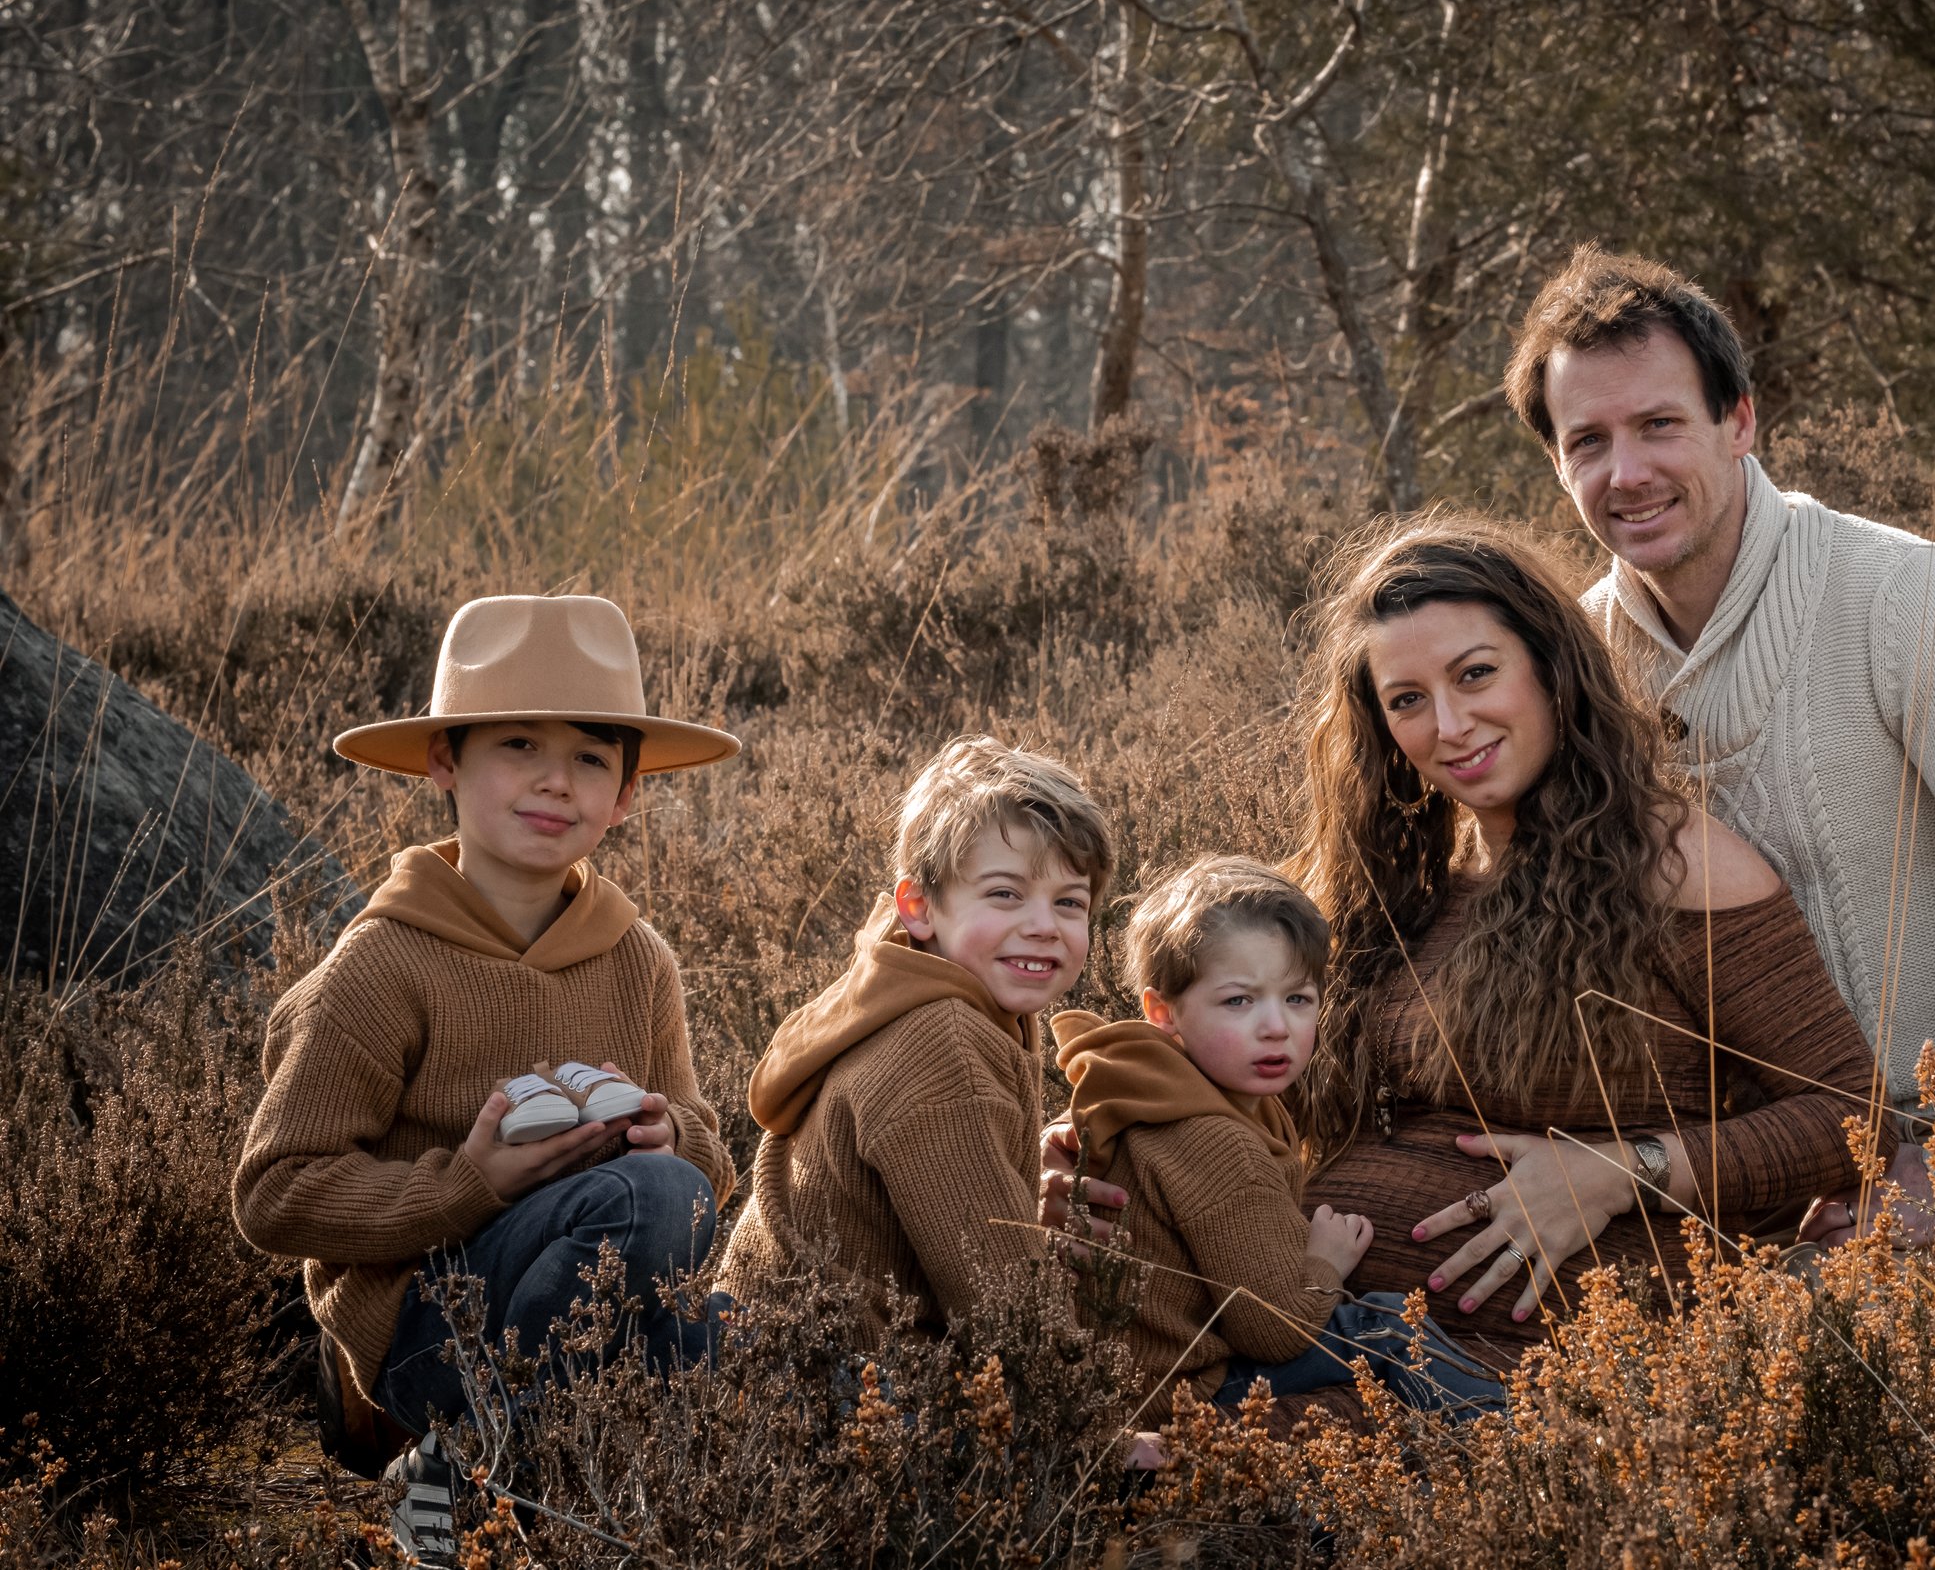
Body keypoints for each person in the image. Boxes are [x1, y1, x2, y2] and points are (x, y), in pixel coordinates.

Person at [1051, 518, 1893, 1379]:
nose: (1449, 724)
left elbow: (1852, 1117)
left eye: (1476, 673)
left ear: (1550, 666)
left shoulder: (1671, 860)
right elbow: (1236, 1063)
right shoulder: (1382, 877)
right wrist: (1108, 1141)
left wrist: (1617, 1171)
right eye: (1407, 699)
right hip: (1308, 1326)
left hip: (1523, 1374)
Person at [1508, 246, 1935, 1215]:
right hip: (1710, 1171)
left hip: (1928, 1164)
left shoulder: (1902, 594)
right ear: (1556, 463)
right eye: (1587, 440)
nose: (1626, 472)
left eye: (1659, 424)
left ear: (1740, 421)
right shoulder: (1574, 659)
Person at [232, 594, 743, 1564]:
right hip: (429, 1327)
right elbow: (272, 1192)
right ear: (445, 761)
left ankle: (515, 1479)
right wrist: (468, 1185)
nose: (556, 780)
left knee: (798, 1359)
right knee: (656, 1200)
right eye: (517, 744)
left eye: (592, 757)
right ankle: (474, 1459)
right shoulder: (382, 964)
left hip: (594, 1302)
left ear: (626, 793)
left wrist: (669, 1133)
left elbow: (706, 1149)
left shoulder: (639, 960)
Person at [1052, 856, 1503, 1428]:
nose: (1276, 1027)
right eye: (1238, 1001)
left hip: (1141, 1378)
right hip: (1183, 1392)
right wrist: (1325, 1262)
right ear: (1163, 1013)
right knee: (1389, 1327)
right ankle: (1510, 1449)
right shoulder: (1212, 1141)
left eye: (1298, 998)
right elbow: (1273, 1329)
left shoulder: (1150, 1088)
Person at [713, 736, 1113, 1336]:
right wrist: (1105, 1430)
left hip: (810, 1358)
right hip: (828, 1388)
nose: (1042, 926)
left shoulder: (930, 989)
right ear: (918, 907)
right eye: (1004, 894)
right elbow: (1009, 1318)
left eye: (1069, 902)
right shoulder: (938, 1046)